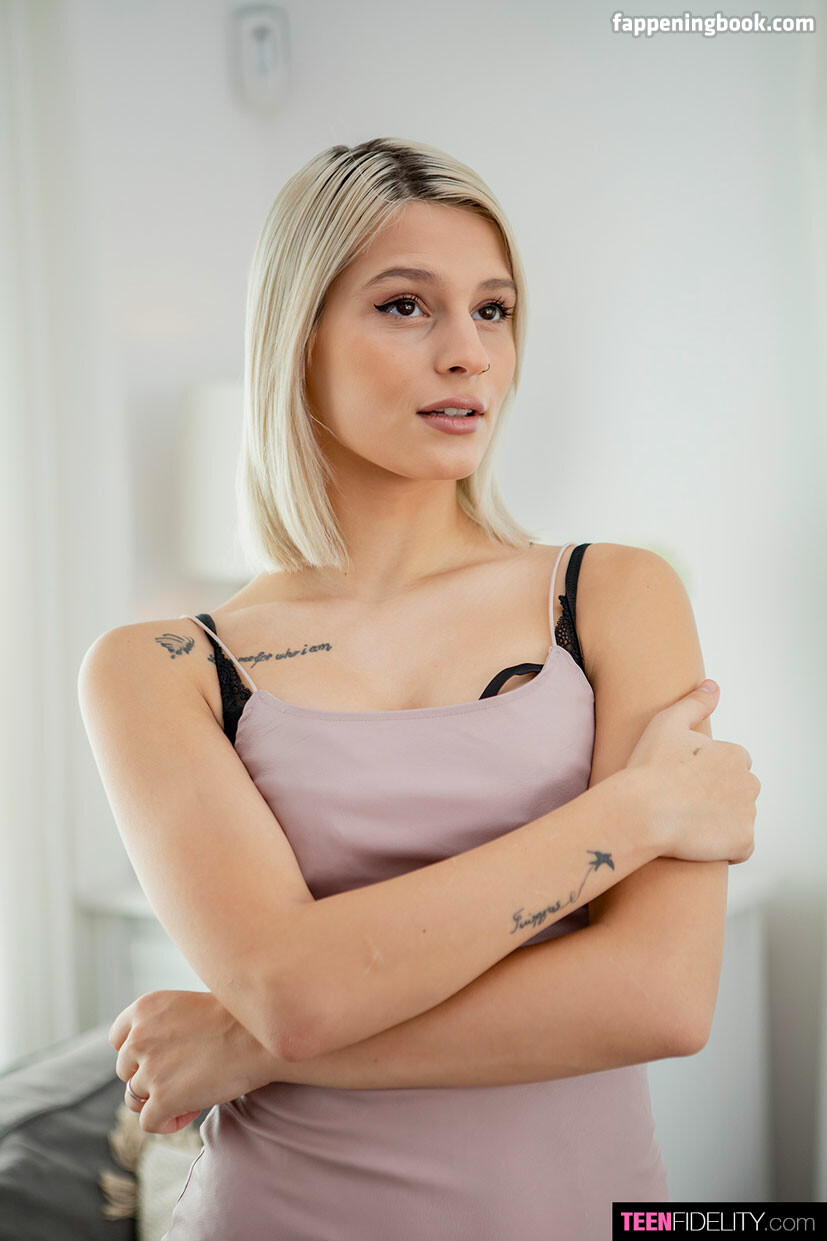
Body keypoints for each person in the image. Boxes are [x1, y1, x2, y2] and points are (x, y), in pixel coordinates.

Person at [79, 136, 758, 1241]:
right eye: (405, 306)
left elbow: (657, 998)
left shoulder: (613, 594)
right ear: (297, 338)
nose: (467, 354)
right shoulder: (158, 666)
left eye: (493, 311)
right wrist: (632, 815)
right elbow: (293, 990)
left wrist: (250, 1043)